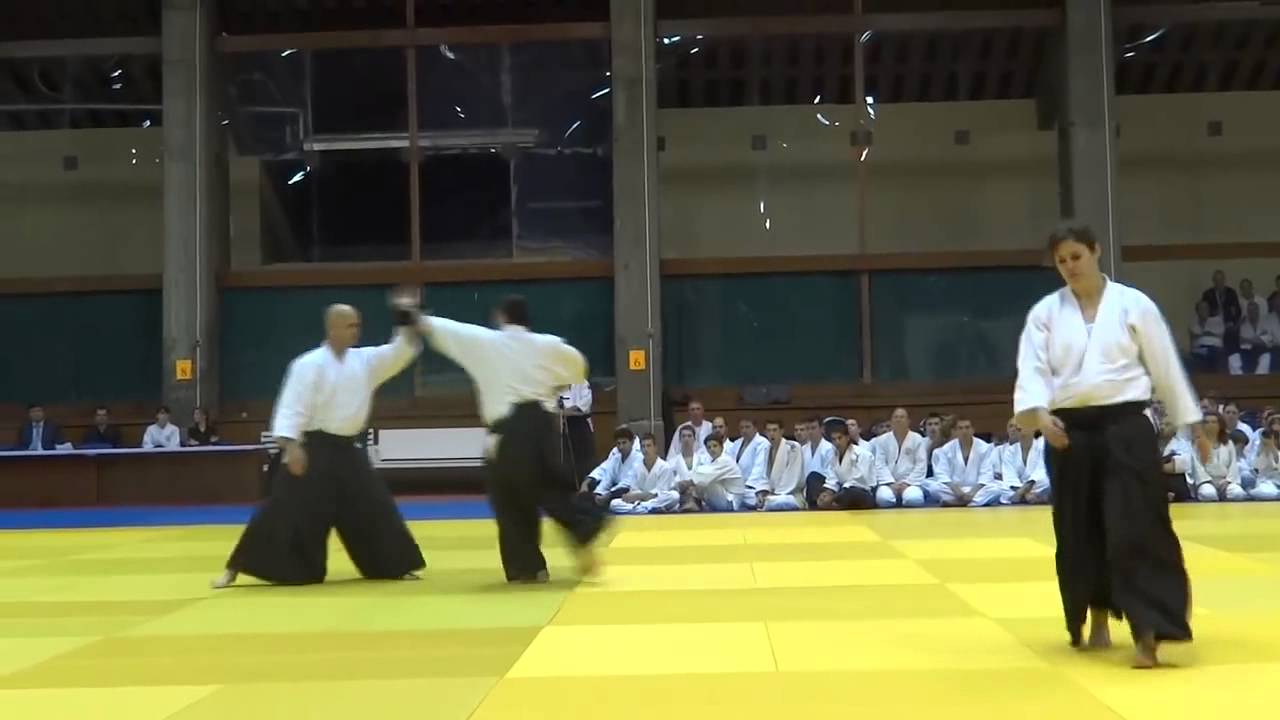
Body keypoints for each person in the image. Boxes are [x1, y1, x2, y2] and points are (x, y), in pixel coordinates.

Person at [1014, 224, 1200, 669]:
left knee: (1135, 526)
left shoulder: (1134, 304)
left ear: (1096, 252)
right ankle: (1096, 617)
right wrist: (1040, 417)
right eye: (1062, 261)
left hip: (1125, 427)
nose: (1070, 267)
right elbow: (1031, 369)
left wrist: (1186, 418)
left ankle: (1147, 632)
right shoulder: (1046, 312)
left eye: (1076, 256)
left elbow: (1164, 362)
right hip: (1068, 430)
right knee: (1080, 528)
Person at [396, 291, 609, 583]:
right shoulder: (547, 345)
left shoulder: (486, 342)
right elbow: (578, 366)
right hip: (540, 425)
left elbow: (440, 328)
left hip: (508, 432)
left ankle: (529, 567)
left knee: (511, 500)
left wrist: (409, 311)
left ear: (501, 317)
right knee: (551, 489)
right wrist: (552, 383)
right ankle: (584, 529)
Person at [212, 304, 426, 589]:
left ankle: (392, 565)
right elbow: (290, 408)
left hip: (348, 450)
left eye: (358, 325)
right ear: (332, 328)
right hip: (312, 449)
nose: (356, 331)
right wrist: (291, 446)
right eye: (350, 326)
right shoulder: (307, 364)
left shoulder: (365, 361)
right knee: (283, 510)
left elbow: (400, 352)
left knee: (373, 506)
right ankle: (234, 569)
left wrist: (405, 316)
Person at [608, 434, 680, 515]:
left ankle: (640, 509)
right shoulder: (636, 467)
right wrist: (637, 497)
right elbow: (634, 490)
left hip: (656, 500)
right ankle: (647, 509)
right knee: (614, 503)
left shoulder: (665, 467)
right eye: (643, 446)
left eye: (649, 446)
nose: (646, 449)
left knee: (674, 496)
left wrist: (640, 496)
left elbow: (660, 492)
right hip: (641, 502)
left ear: (655, 448)